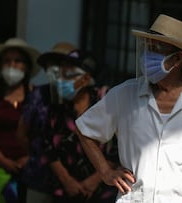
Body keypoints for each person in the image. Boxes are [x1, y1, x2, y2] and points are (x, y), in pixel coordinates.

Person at [75, 14, 182, 203]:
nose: (146, 55)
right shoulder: (124, 94)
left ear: (177, 59)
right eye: (147, 47)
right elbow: (85, 130)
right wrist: (105, 172)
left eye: (156, 49)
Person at [40, 49, 118, 203]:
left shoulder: (105, 102)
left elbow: (118, 147)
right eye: (61, 73)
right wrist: (67, 181)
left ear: (86, 78)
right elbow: (48, 147)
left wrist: (95, 180)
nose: (61, 80)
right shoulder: (56, 105)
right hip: (64, 191)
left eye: (68, 75)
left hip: (102, 191)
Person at [16, 42, 77, 203]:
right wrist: (36, 154)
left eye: (63, 64)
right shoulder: (38, 95)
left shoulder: (82, 97)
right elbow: (22, 134)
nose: (57, 69)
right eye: (53, 64)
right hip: (40, 178)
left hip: (74, 182)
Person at [0, 38, 40, 203]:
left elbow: (42, 133)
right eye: (7, 61)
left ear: (26, 66)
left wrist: (30, 158)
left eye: (17, 61)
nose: (12, 65)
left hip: (28, 171)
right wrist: (2, 161)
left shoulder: (36, 97)